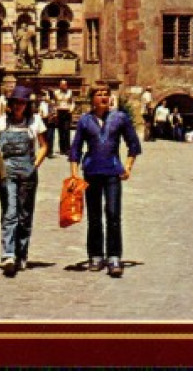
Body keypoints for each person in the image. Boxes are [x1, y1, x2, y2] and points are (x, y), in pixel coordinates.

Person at [69, 81, 141, 277]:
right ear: (92, 98)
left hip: (112, 172)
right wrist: (74, 173)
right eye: (99, 94)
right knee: (94, 217)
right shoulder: (85, 121)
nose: (103, 97)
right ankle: (95, 255)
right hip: (91, 172)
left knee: (113, 214)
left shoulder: (120, 118)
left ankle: (114, 256)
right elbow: (75, 149)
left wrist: (127, 167)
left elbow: (133, 144)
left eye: (106, 93)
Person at [0, 85, 48, 276]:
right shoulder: (2, 123)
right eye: (15, 102)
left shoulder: (35, 122)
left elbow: (43, 146)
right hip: (7, 172)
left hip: (27, 173)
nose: (18, 106)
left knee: (25, 215)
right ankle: (8, 255)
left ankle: (21, 253)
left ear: (27, 105)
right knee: (10, 212)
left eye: (22, 103)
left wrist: (35, 164)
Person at [52, 80, 75, 160]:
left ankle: (67, 148)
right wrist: (54, 111)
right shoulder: (56, 92)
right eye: (62, 84)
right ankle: (62, 148)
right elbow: (54, 102)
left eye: (65, 84)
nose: (64, 86)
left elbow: (72, 102)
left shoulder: (70, 92)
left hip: (67, 111)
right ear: (60, 85)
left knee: (67, 129)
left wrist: (71, 109)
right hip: (59, 111)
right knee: (60, 130)